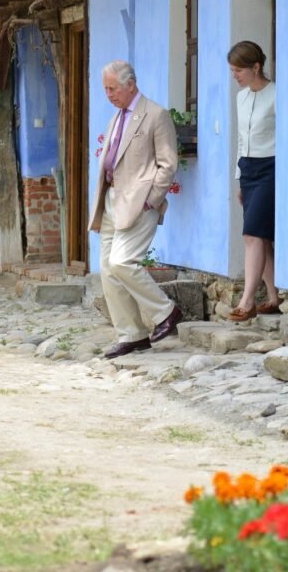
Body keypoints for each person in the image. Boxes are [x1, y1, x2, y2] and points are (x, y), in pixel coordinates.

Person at [89, 60, 183, 358]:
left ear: (131, 84)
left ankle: (166, 312)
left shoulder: (156, 115)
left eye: (112, 88)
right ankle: (132, 334)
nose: (108, 94)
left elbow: (168, 163)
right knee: (108, 271)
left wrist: (151, 200)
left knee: (122, 262)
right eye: (105, 89)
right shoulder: (116, 118)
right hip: (110, 200)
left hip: (139, 204)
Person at [228, 41, 281, 321]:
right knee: (260, 236)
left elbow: (285, 138)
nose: (235, 75)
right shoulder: (241, 98)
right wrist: (239, 178)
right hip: (248, 170)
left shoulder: (276, 95)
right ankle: (273, 297)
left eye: (239, 70)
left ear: (255, 67)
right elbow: (241, 139)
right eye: (232, 70)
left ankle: (247, 301)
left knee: (251, 234)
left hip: (270, 167)